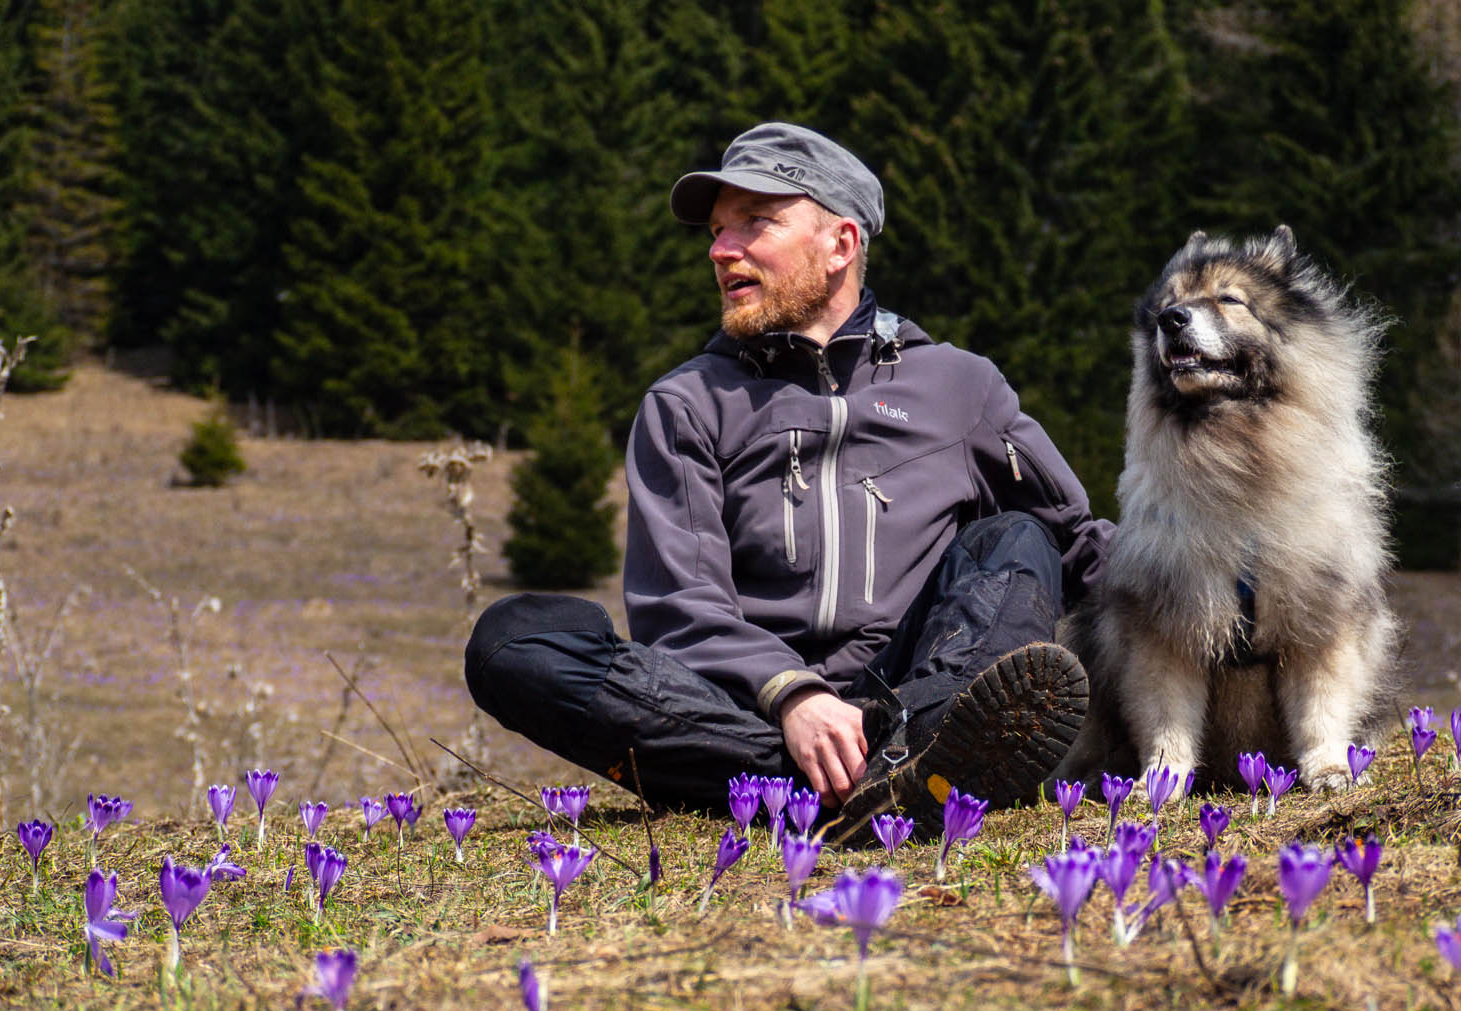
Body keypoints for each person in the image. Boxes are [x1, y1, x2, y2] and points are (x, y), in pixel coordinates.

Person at [465, 122, 1113, 835]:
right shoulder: (685, 405)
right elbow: (679, 608)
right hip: (741, 713)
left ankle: (908, 751)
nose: (720, 250)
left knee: (1016, 537)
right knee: (513, 643)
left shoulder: (962, 387)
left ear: (841, 244)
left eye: (755, 223)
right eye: (716, 231)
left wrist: (1237, 588)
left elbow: (1075, 543)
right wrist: (793, 696)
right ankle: (894, 779)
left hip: (914, 691)